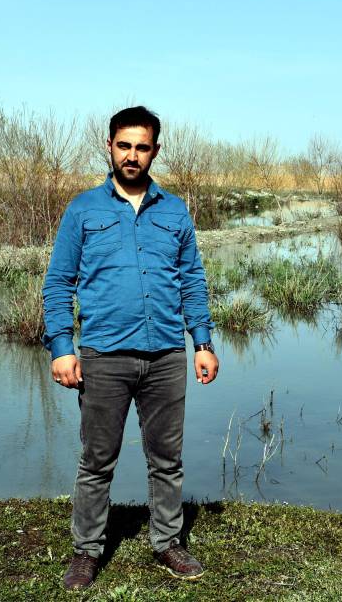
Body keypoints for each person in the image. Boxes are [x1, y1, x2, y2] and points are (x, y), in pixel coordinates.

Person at [42, 105, 219, 590]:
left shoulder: (175, 209)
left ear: (155, 151)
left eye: (142, 147)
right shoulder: (83, 209)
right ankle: (86, 552)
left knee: (167, 458)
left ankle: (167, 542)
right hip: (104, 354)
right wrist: (61, 346)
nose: (132, 156)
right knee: (97, 459)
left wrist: (201, 341)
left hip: (166, 354)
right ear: (110, 146)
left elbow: (192, 281)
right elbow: (59, 282)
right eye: (124, 146)